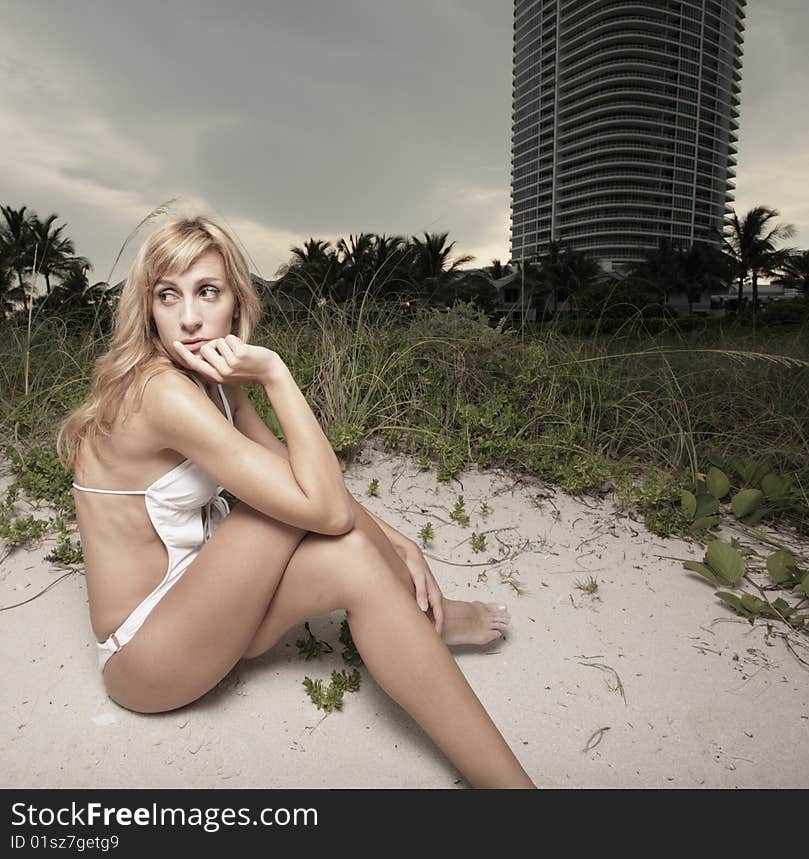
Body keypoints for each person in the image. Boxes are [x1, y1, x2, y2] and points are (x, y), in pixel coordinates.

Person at [56, 215, 536, 789]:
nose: (188, 317)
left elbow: (296, 477)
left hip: (211, 614)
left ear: (235, 299)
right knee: (281, 510)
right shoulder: (159, 391)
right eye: (168, 295)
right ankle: (435, 624)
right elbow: (323, 507)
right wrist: (278, 376)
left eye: (207, 291)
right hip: (147, 657)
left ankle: (512, 791)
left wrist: (399, 542)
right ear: (148, 308)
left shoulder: (213, 379)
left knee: (353, 555)